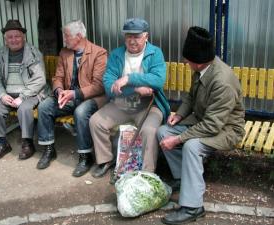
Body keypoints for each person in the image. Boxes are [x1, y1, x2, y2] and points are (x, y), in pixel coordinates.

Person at [157, 26, 245, 224]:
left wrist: (178, 138)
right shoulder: (203, 69)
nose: (185, 62)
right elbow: (191, 96)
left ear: (197, 62)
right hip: (205, 120)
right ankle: (183, 179)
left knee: (192, 146)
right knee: (163, 131)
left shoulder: (222, 81)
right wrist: (179, 115)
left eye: (187, 60)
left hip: (227, 129)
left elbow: (213, 126)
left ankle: (193, 207)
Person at [89, 18, 170, 178]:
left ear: (146, 36)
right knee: (96, 121)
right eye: (128, 36)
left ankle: (147, 173)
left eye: (137, 37)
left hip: (150, 104)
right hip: (122, 103)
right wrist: (136, 89)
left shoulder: (155, 53)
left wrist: (128, 79)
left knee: (149, 131)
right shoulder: (117, 54)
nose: (132, 41)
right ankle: (106, 160)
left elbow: (158, 80)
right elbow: (109, 85)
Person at [37, 20, 107, 177]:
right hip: (68, 96)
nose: (64, 39)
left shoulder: (99, 53)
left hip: (92, 97)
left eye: (67, 36)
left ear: (79, 36)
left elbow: (99, 86)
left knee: (81, 112)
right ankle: (49, 149)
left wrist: (74, 94)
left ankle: (85, 156)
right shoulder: (65, 52)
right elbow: (58, 77)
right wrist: (60, 91)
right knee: (44, 106)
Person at [0, 19, 47, 161]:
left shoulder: (33, 53)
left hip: (31, 93)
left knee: (24, 109)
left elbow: (40, 80)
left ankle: (27, 143)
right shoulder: (1, 54)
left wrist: (22, 96)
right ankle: (2, 143)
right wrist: (2, 95)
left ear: (23, 37)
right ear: (5, 40)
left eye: (17, 36)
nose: (14, 40)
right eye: (10, 37)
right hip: (8, 94)